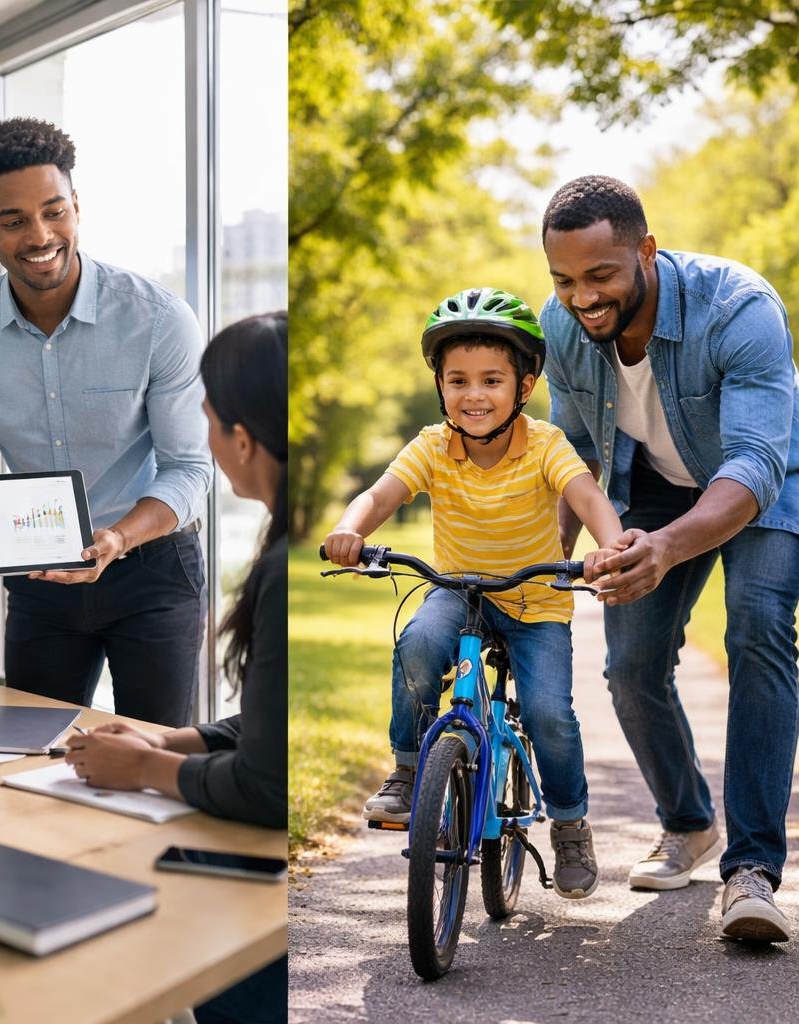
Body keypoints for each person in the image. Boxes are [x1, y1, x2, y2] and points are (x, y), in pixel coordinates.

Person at [541, 175, 799, 943]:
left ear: (646, 252)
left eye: (600, 276)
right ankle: (688, 824)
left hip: (765, 484)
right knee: (630, 665)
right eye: (563, 280)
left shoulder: (739, 308)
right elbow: (574, 452)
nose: (582, 298)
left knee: (756, 626)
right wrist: (547, 559)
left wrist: (666, 547)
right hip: (651, 483)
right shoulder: (562, 325)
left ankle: (751, 871)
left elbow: (754, 460)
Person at [0, 117, 211, 728]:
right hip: (38, 571)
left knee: (154, 753)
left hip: (151, 568)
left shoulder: (158, 320)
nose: (40, 235)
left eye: (54, 212)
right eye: (14, 221)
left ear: (77, 206)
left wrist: (116, 539)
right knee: (28, 745)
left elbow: (190, 468)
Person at [324, 288, 624, 899]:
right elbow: (380, 495)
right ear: (440, 386)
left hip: (534, 601)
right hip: (457, 591)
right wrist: (350, 529)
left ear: (524, 386)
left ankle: (570, 824)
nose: (474, 395)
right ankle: (409, 769)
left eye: (491, 380)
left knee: (548, 714)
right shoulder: (433, 446)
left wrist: (610, 548)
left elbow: (589, 499)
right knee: (417, 644)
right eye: (458, 380)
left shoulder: (546, 444)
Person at [66, 311, 285, 1024]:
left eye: (208, 422)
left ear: (242, 440)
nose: (205, 441)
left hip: (268, 924)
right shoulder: (286, 547)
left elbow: (265, 787)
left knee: (124, 884)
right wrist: (170, 740)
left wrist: (143, 768)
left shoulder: (283, 569)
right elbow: (270, 727)